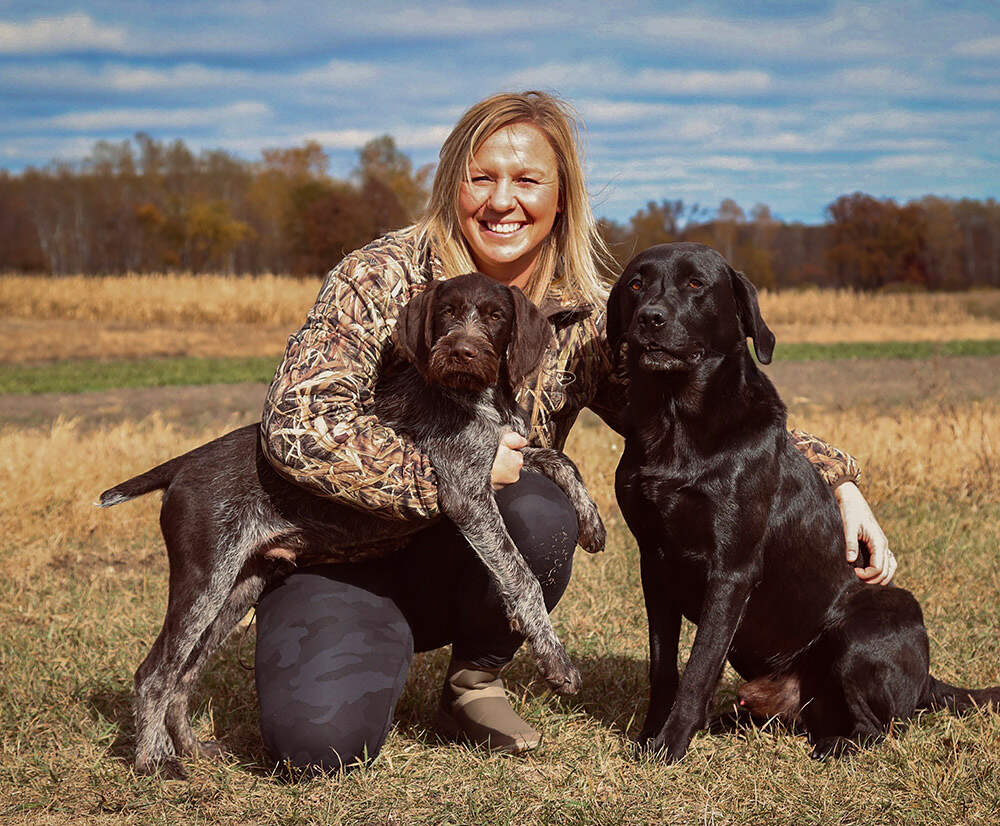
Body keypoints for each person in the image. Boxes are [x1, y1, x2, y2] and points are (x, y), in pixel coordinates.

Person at [255, 90, 896, 772]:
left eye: (528, 180)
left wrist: (836, 479)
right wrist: (436, 478)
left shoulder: (586, 319)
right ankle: (353, 639)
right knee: (316, 746)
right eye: (482, 177)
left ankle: (473, 680)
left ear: (562, 197)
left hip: (469, 561)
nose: (503, 201)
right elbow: (298, 424)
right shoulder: (380, 277)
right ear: (453, 185)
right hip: (345, 561)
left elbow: (712, 424)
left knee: (541, 506)